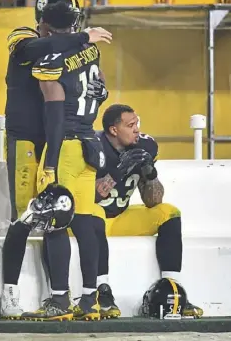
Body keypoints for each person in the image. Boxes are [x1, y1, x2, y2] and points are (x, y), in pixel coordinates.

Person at [0, 0, 112, 319]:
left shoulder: (71, 48)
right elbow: (35, 48)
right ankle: (11, 291)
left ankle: (58, 296)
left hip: (57, 140)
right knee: (24, 217)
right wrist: (82, 40)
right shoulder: (26, 37)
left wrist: (100, 90)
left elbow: (94, 85)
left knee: (59, 219)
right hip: (28, 141)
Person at [92, 104, 203, 319]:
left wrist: (150, 174)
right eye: (130, 125)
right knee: (94, 214)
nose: (136, 130)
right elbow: (90, 197)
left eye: (137, 124)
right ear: (114, 130)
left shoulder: (145, 145)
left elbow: (153, 201)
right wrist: (118, 171)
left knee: (169, 212)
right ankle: (101, 292)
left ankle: (173, 288)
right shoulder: (94, 147)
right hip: (91, 219)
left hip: (120, 216)